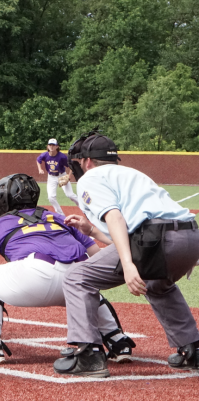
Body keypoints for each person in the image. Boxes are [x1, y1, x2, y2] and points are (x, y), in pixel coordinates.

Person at [0, 173, 135, 365]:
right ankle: (118, 342)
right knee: (85, 283)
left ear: (6, 199)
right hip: (76, 279)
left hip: (36, 276)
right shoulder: (58, 217)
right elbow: (98, 256)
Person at [52, 132, 199, 378]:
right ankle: (193, 349)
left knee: (77, 277)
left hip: (158, 240)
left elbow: (116, 218)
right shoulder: (134, 174)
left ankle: (89, 355)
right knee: (157, 284)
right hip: (190, 238)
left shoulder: (92, 177)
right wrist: (93, 231)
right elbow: (133, 237)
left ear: (87, 161)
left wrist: (129, 266)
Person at [36, 138, 79, 215]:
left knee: (70, 195)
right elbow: (38, 160)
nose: (51, 147)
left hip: (62, 175)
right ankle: (61, 214)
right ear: (48, 146)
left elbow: (71, 166)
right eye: (50, 145)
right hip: (51, 177)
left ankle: (84, 208)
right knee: (51, 197)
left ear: (57, 147)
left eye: (53, 145)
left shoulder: (62, 156)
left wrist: (68, 176)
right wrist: (40, 169)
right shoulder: (45, 155)